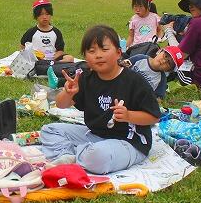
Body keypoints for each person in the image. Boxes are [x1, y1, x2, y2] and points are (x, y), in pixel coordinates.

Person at [40, 25, 161, 175]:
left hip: (129, 142)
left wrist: (128, 115)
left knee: (99, 156)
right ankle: (69, 157)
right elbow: (61, 104)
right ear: (85, 57)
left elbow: (154, 117)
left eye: (104, 49)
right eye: (91, 51)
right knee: (50, 130)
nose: (98, 55)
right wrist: (68, 93)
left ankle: (75, 156)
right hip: (96, 136)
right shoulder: (85, 78)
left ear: (118, 53)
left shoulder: (135, 81)